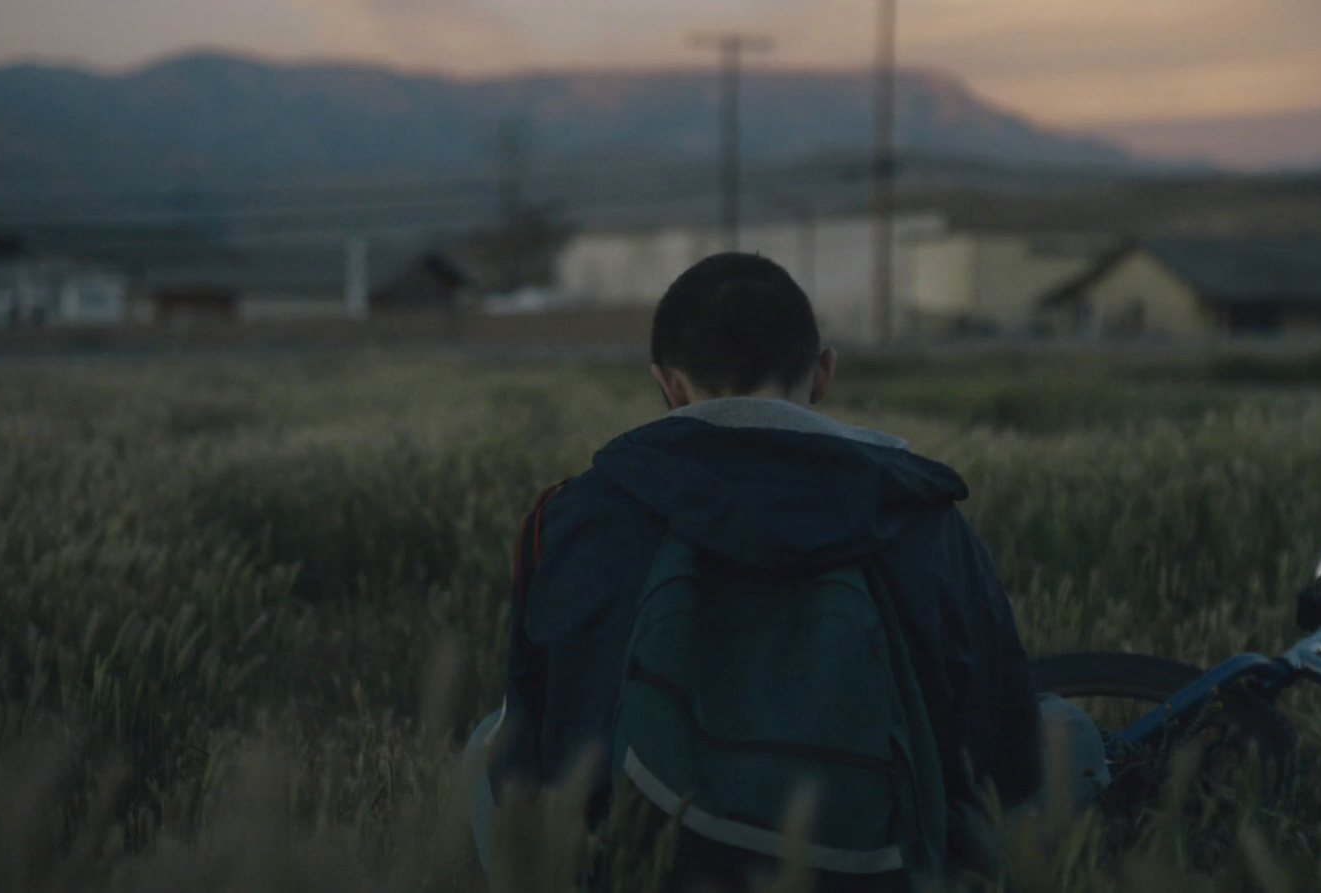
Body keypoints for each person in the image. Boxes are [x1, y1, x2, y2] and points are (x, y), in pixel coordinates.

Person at [466, 252, 1108, 887]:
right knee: (1067, 732)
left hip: (640, 871)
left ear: (668, 384)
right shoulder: (925, 516)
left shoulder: (572, 518)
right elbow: (1003, 750)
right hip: (889, 874)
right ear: (823, 372)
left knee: (486, 742)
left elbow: (531, 753)